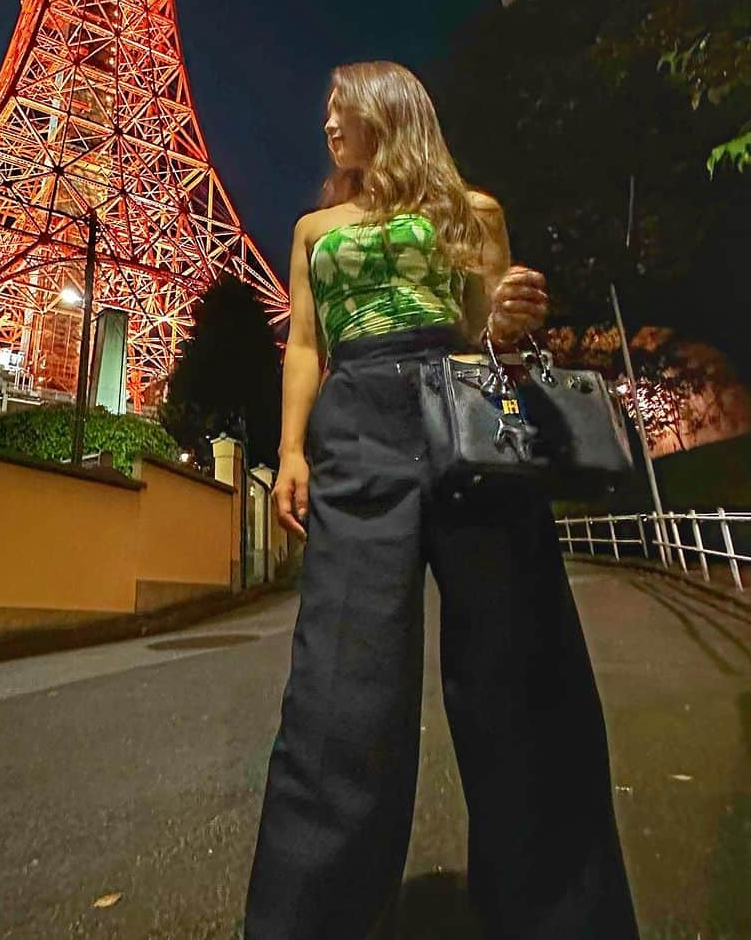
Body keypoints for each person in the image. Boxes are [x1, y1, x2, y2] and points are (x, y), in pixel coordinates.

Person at [243, 61, 639, 940]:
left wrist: (505, 320)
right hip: (356, 430)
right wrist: (291, 450)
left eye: (339, 111)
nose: (328, 129)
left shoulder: (475, 213)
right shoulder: (314, 229)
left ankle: (559, 917)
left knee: (521, 674)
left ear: (387, 112)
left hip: (467, 422)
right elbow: (305, 345)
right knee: (339, 690)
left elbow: (481, 334)